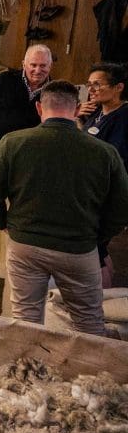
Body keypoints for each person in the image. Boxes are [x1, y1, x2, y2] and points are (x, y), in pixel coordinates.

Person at [0, 81, 128, 335]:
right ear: (77, 109)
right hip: (79, 248)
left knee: (25, 318)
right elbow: (121, 207)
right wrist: (97, 236)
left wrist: (2, 222)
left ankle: (25, 372)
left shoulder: (13, 143)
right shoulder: (105, 153)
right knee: (88, 323)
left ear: (39, 108)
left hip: (25, 244)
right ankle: (86, 373)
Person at [77, 62, 128, 287]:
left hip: (107, 191)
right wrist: (79, 119)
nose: (92, 90)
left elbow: (112, 154)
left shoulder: (124, 117)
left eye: (98, 84)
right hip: (88, 189)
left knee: (97, 245)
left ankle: (102, 293)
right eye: (89, 85)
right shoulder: (95, 113)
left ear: (118, 87)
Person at [0, 44, 53, 138]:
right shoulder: (5, 80)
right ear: (24, 64)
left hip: (31, 148)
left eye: (43, 65)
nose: (38, 70)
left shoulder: (55, 91)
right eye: (33, 65)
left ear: (50, 66)